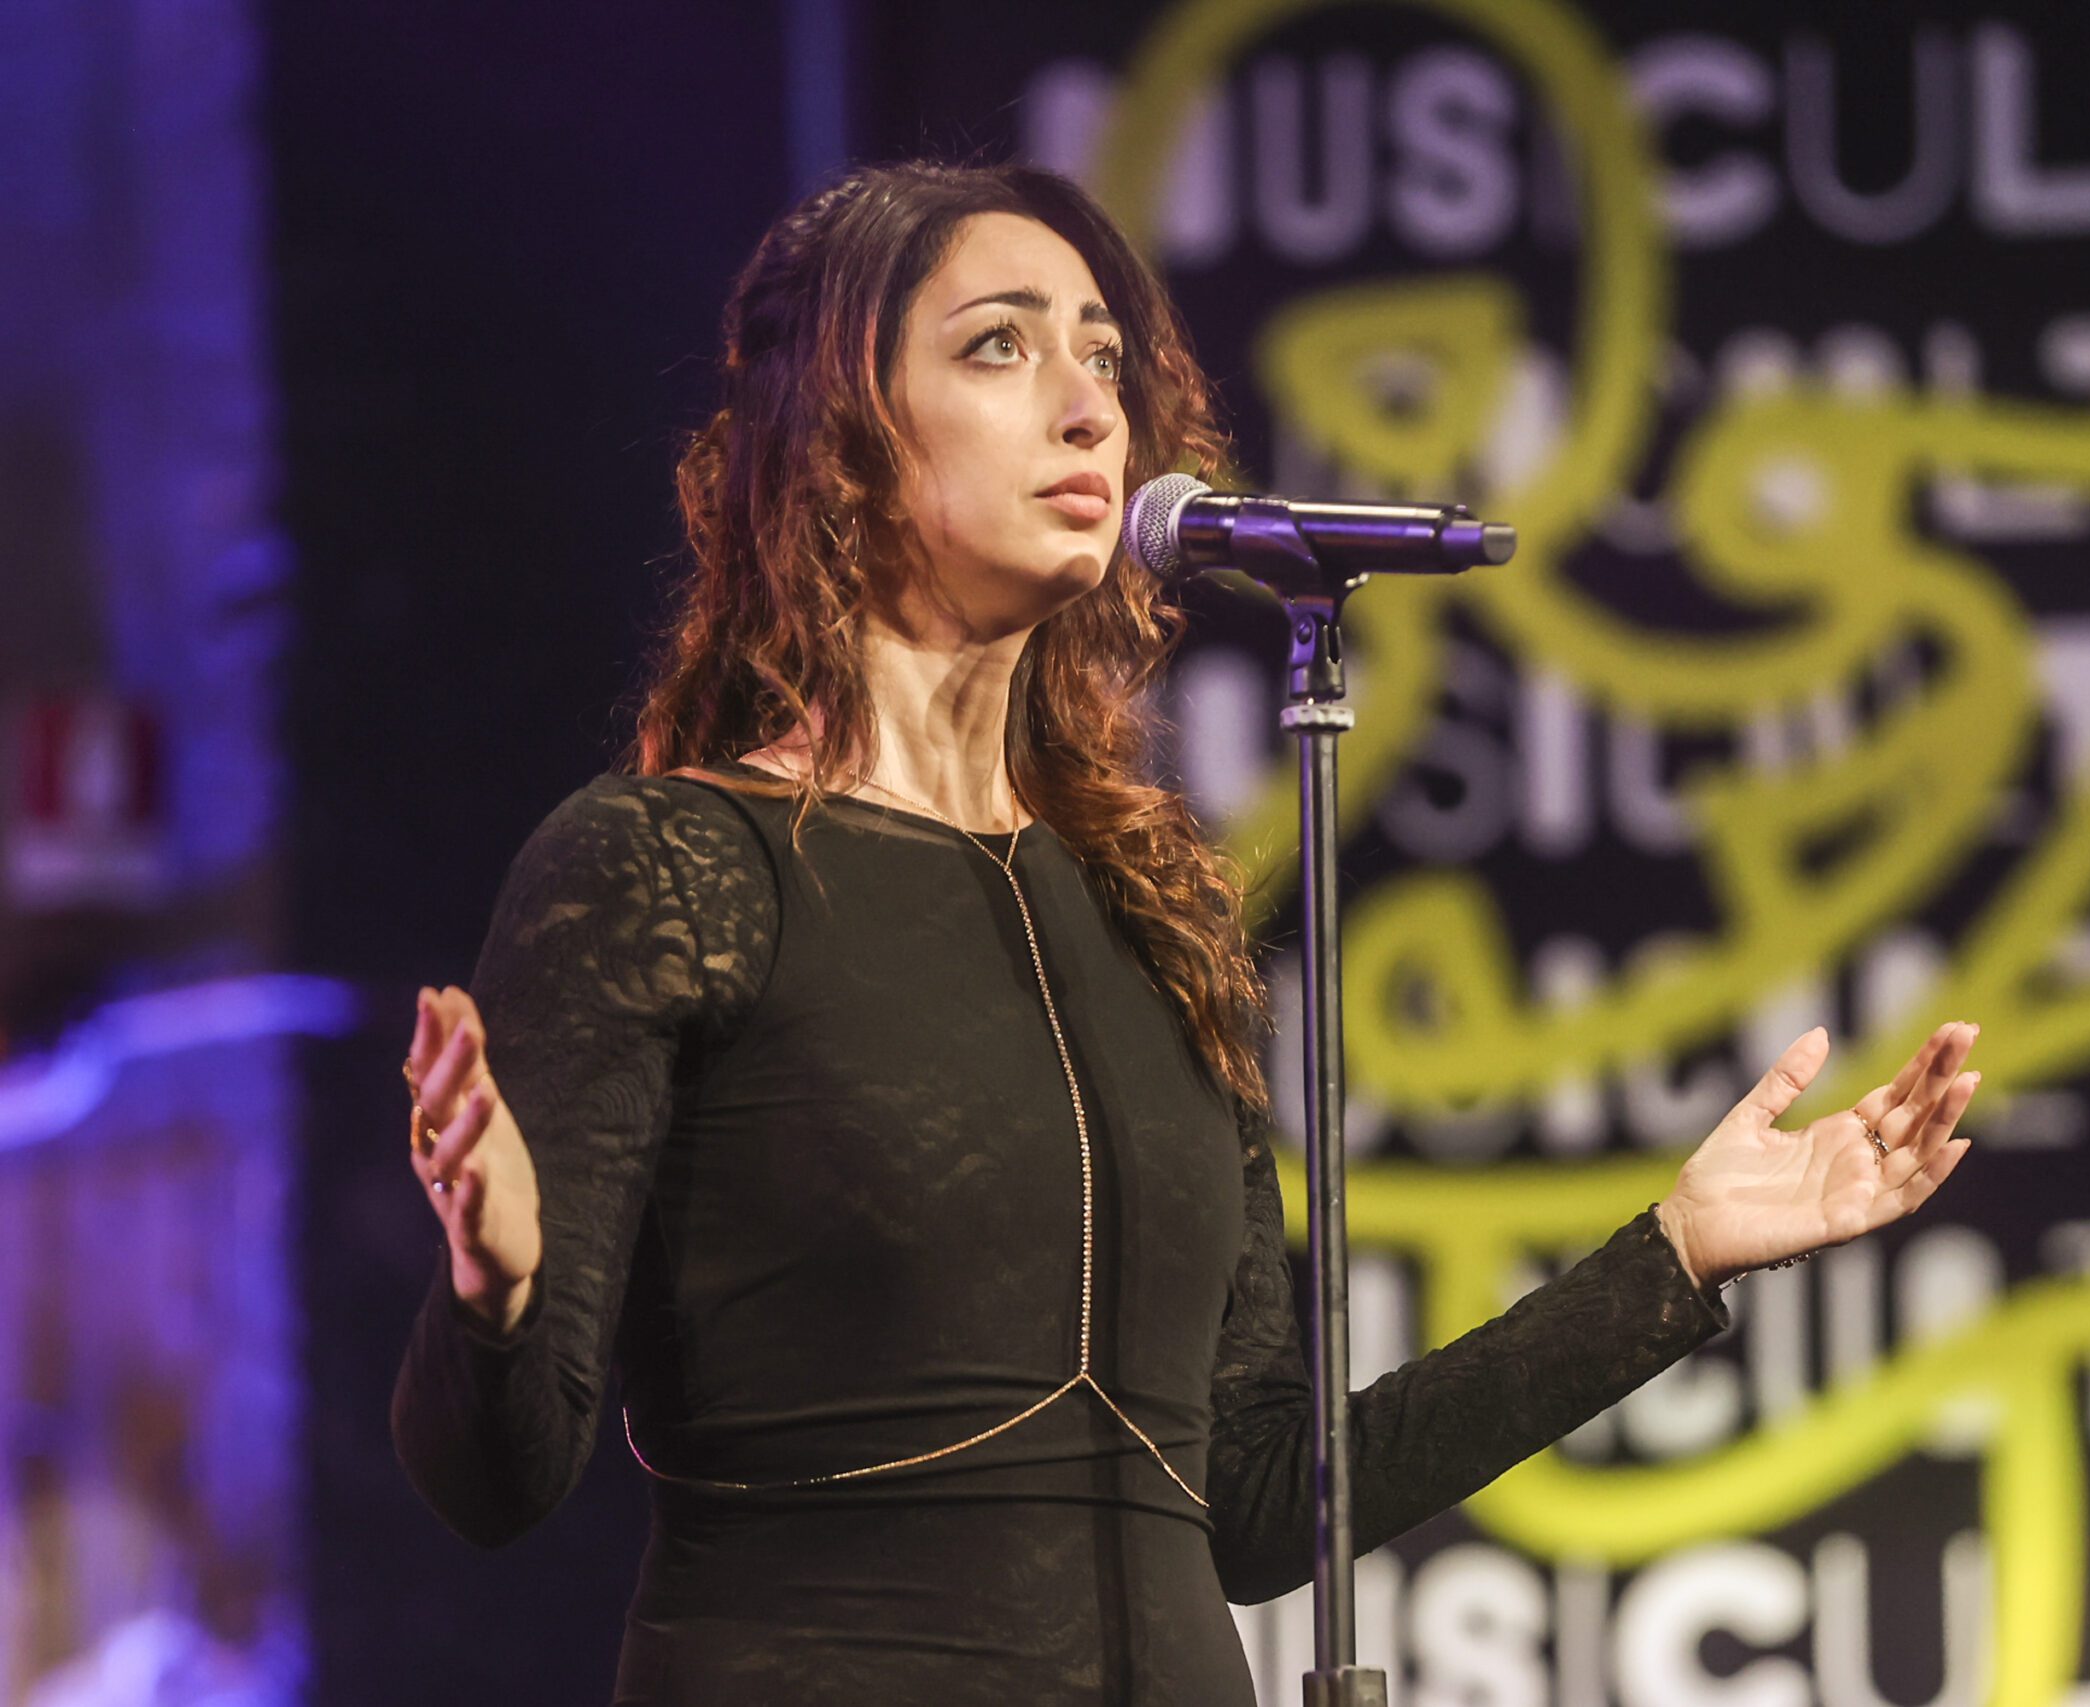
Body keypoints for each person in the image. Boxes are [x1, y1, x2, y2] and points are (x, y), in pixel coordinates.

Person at [389, 159, 1981, 1706]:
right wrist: (498, 1288)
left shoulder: (1150, 910)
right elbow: (494, 1481)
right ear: (839, 442)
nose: (1088, 407)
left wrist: (1669, 1261)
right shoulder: (670, 867)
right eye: (997, 347)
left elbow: (1260, 1502)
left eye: (1101, 356)